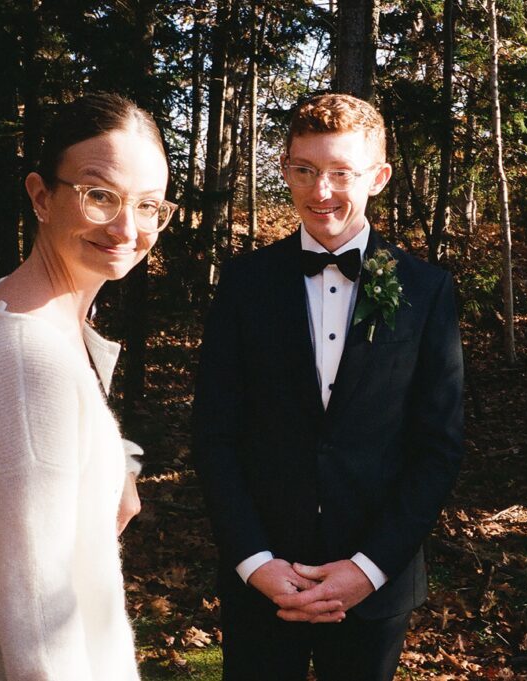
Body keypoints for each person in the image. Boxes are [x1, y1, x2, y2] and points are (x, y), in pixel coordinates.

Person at [0, 92, 176, 681]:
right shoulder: (29, 359)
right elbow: (39, 619)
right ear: (41, 196)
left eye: (148, 205)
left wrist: (117, 466)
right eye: (100, 195)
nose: (127, 228)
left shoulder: (22, 302)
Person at [192, 93, 465, 681]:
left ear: (378, 178)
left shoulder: (427, 289)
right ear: (285, 170)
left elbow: (437, 447)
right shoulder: (244, 284)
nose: (321, 191)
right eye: (305, 170)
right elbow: (214, 435)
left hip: (374, 586)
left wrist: (368, 568)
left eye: (341, 172)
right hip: (262, 580)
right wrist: (255, 561)